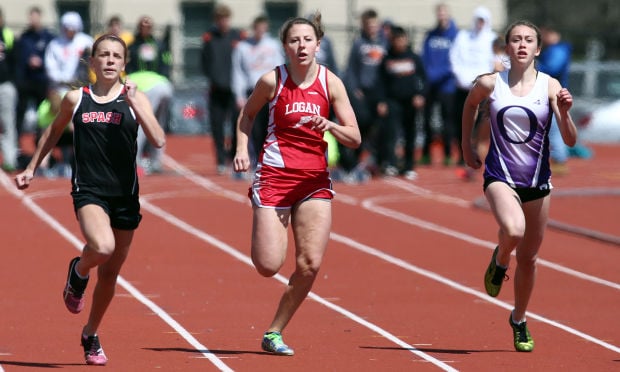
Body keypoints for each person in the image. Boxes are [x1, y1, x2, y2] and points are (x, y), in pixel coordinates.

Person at [14, 34, 166, 365]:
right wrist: (31, 168)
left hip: (125, 195)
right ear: (92, 62)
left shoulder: (134, 100)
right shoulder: (76, 99)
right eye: (104, 55)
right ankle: (78, 270)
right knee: (102, 247)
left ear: (125, 64)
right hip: (90, 190)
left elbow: (158, 139)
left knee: (110, 275)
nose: (110, 60)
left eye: (117, 56)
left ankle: (91, 334)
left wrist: (137, 103)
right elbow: (52, 132)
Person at [233, 13, 361, 355]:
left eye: (307, 40)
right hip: (275, 177)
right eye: (294, 40)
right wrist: (241, 149)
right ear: (285, 46)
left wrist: (330, 125)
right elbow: (246, 116)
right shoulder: (271, 81)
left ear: (318, 44)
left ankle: (274, 331)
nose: (301, 46)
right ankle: (269, 215)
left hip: (314, 180)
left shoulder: (331, 82)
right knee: (268, 265)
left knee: (309, 264)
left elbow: (355, 137)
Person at [461, 20, 577, 352]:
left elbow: (569, 138)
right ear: (507, 48)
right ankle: (500, 259)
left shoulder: (551, 86)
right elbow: (469, 106)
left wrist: (566, 114)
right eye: (516, 39)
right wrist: (467, 146)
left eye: (529, 40)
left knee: (530, 258)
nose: (522, 44)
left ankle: (519, 318)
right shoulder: (489, 84)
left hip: (538, 182)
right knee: (513, 230)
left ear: (538, 48)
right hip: (500, 177)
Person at [232, 14, 285, 170]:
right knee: (252, 127)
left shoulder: (273, 45)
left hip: (271, 90)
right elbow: (238, 72)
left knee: (268, 127)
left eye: (263, 27)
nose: (260, 30)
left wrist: (281, 90)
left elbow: (280, 66)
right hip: (252, 89)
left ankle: (267, 160)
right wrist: (239, 94)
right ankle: (253, 160)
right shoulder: (243, 47)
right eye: (257, 27)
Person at [537, 24, 591, 174]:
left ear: (551, 33)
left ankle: (559, 159)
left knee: (554, 127)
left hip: (554, 94)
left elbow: (552, 68)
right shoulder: (555, 50)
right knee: (552, 127)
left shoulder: (558, 50)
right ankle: (557, 157)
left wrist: (534, 66)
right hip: (549, 92)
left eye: (544, 35)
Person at [341, 8, 387, 180]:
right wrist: (354, 89)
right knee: (361, 125)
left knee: (379, 128)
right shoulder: (359, 43)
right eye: (369, 25)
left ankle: (375, 161)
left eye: (375, 25)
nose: (372, 28)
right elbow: (351, 69)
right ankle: (352, 161)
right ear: (364, 26)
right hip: (361, 92)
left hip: (379, 92)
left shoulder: (384, 43)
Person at [376, 25, 426, 179]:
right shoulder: (387, 58)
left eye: (402, 39)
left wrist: (420, 95)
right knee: (391, 134)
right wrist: (382, 101)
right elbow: (381, 82)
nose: (400, 42)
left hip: (410, 102)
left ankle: (409, 166)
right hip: (393, 101)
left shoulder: (414, 57)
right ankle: (391, 164)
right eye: (397, 39)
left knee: (410, 134)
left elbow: (423, 79)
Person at [450, 6, 496, 170]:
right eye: (478, 20)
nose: (480, 23)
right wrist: (461, 77)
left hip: (483, 88)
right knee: (461, 120)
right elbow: (454, 57)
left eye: (483, 20)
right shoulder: (463, 36)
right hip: (463, 86)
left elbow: (495, 61)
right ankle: (463, 153)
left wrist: (484, 80)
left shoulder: (492, 38)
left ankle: (476, 151)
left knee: (480, 123)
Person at [201, 4, 246, 175]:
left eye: (225, 19)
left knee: (237, 124)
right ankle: (220, 160)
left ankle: (234, 155)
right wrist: (213, 78)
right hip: (216, 90)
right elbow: (204, 62)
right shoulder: (209, 37)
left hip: (234, 90)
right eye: (220, 19)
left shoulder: (238, 36)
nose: (223, 22)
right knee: (217, 127)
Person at [420, 2, 458, 166]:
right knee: (427, 120)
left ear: (448, 14)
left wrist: (438, 74)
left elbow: (456, 60)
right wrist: (426, 76)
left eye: (444, 13)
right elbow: (424, 58)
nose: (441, 16)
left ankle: (449, 154)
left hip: (447, 85)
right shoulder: (430, 35)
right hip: (430, 84)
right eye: (439, 13)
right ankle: (426, 154)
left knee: (447, 121)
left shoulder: (456, 35)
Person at [15, 6, 55, 141]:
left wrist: (41, 62)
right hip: (26, 81)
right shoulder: (24, 37)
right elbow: (19, 58)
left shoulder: (48, 37)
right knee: (20, 111)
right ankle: (18, 143)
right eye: (30, 17)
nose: (33, 20)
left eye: (35, 17)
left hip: (42, 80)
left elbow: (52, 57)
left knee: (42, 113)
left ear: (40, 18)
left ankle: (41, 141)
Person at [0, 7, 18, 172]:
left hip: (4, 85)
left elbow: (16, 60)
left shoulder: (8, 35)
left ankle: (10, 159)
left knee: (7, 123)